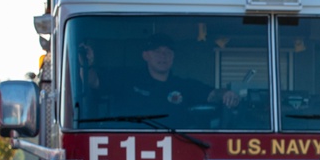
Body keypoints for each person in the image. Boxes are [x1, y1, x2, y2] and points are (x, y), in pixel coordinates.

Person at [81, 33, 239, 116]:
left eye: (168, 52)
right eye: (157, 52)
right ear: (145, 56)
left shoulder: (183, 86)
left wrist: (227, 94)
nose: (163, 57)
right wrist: (86, 63)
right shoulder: (126, 79)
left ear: (173, 57)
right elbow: (93, 81)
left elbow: (212, 95)